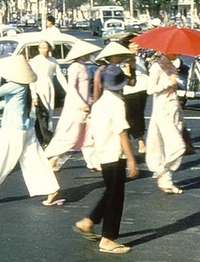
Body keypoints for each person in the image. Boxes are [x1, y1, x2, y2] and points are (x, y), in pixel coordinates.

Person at [0, 55, 61, 206]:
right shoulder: (23, 85)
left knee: (0, 160)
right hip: (26, 128)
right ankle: (51, 189)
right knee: (35, 160)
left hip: (12, 129)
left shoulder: (15, 84)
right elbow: (10, 102)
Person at [73, 64, 138, 254]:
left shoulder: (99, 102)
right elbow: (122, 132)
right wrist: (132, 159)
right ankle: (108, 239)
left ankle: (89, 221)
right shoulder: (117, 103)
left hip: (102, 152)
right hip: (115, 154)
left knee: (111, 192)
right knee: (116, 197)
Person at [44, 41, 101, 171]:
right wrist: (80, 103)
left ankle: (92, 162)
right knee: (71, 133)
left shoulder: (83, 66)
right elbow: (71, 87)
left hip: (85, 104)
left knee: (88, 133)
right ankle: (52, 157)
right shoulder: (74, 66)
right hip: (76, 105)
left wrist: (89, 101)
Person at [145, 51, 187, 194]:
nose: (176, 53)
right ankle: (161, 172)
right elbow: (150, 89)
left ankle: (166, 180)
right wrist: (168, 82)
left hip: (174, 107)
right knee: (176, 145)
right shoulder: (156, 67)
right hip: (162, 108)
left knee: (170, 145)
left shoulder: (172, 65)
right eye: (173, 50)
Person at [29, 39, 68, 147]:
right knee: (42, 114)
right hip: (38, 90)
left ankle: (40, 139)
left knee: (45, 115)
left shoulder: (53, 61)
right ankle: (47, 139)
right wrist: (33, 94)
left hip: (49, 90)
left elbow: (60, 76)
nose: (42, 50)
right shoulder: (36, 60)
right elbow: (32, 78)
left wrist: (68, 90)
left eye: (44, 47)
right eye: (40, 47)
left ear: (49, 48)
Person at [118, 34, 149, 154]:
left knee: (138, 115)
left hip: (143, 91)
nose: (137, 46)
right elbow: (128, 78)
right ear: (128, 46)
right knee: (134, 118)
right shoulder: (125, 60)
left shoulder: (140, 58)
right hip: (131, 92)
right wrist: (130, 67)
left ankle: (136, 140)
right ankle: (140, 142)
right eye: (134, 44)